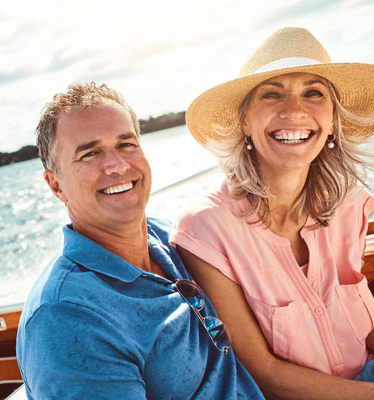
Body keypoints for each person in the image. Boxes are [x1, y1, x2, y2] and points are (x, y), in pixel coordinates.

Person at [16, 82, 264, 399]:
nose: (117, 165)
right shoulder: (66, 317)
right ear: (56, 185)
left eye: (126, 144)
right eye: (90, 153)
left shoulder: (168, 237)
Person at [170, 27, 374, 399]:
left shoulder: (350, 203)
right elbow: (261, 372)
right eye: (272, 94)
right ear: (245, 122)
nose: (294, 110)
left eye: (313, 93)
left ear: (332, 120)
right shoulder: (205, 230)